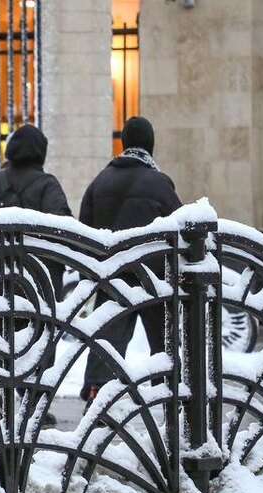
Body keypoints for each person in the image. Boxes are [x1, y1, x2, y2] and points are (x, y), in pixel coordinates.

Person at [0, 124, 72, 426]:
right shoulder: (47, 185)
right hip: (38, 283)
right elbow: (64, 230)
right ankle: (32, 406)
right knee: (40, 343)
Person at [77, 116, 183, 404]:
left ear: (123, 143)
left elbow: (84, 230)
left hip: (112, 276)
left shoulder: (100, 181)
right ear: (150, 144)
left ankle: (98, 396)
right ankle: (168, 394)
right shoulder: (159, 183)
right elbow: (181, 228)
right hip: (154, 278)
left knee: (107, 342)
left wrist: (89, 277)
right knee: (164, 342)